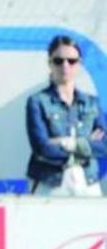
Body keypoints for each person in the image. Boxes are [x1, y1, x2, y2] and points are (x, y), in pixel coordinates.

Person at [26, 35, 107, 196]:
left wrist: (67, 143)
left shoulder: (91, 103)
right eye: (58, 61)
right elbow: (42, 147)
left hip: (87, 180)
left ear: (79, 64)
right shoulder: (37, 102)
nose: (65, 66)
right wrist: (86, 144)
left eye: (71, 61)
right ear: (50, 63)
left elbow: (104, 146)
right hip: (50, 182)